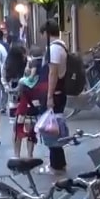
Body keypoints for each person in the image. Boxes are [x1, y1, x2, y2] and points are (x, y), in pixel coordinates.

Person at [40, 20, 70, 173]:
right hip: (59, 92)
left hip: (56, 93)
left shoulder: (54, 49)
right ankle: (58, 162)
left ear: (46, 33)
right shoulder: (62, 46)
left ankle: (56, 164)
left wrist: (49, 96)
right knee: (54, 126)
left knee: (52, 128)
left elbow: (53, 73)